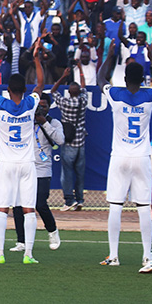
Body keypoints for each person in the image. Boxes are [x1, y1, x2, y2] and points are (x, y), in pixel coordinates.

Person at [97, 41, 152, 268]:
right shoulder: (149, 96)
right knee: (143, 207)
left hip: (120, 156)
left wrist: (110, 54)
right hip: (141, 156)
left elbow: (100, 80)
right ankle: (147, 255)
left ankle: (113, 255)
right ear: (143, 78)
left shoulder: (116, 94)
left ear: (125, 80)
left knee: (115, 205)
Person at [0, 38, 44, 265]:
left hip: (6, 163)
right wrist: (36, 59)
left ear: (8, 90)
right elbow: (40, 84)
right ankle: (28, 254)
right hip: (27, 163)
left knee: (2, 208)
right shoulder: (31, 104)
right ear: (24, 89)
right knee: (28, 209)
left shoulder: (1, 104)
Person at [8, 93, 64, 254]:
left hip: (42, 169)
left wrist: (44, 123)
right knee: (18, 206)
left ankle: (52, 232)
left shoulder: (54, 122)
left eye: (44, 106)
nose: (40, 109)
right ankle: (21, 241)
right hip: (24, 167)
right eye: (38, 106)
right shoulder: (26, 121)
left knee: (40, 203)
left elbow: (60, 140)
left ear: (48, 107)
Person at [50, 66, 88, 211]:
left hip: (69, 142)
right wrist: (80, 69)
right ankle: (79, 200)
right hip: (81, 143)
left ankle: (69, 200)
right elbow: (83, 87)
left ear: (69, 92)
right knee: (80, 173)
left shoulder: (64, 102)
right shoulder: (83, 101)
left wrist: (63, 77)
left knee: (67, 173)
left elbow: (53, 91)